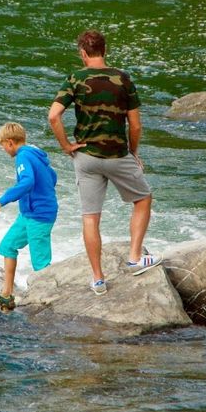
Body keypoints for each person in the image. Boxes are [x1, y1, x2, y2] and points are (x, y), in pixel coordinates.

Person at [47, 29, 162, 296]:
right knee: (143, 199)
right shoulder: (122, 79)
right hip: (117, 155)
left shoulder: (75, 78)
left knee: (90, 217)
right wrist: (134, 153)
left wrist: (66, 146)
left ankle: (98, 279)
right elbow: (135, 125)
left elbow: (54, 116)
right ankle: (135, 258)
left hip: (85, 157)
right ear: (105, 50)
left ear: (83, 53)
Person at [0, 122, 58, 311]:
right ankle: (6, 295)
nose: (3, 149)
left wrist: (2, 200)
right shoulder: (36, 155)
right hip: (28, 214)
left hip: (39, 215)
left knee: (40, 262)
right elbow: (53, 176)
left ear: (10, 142)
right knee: (8, 246)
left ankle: (49, 300)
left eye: (2, 145)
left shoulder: (23, 156)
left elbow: (27, 182)